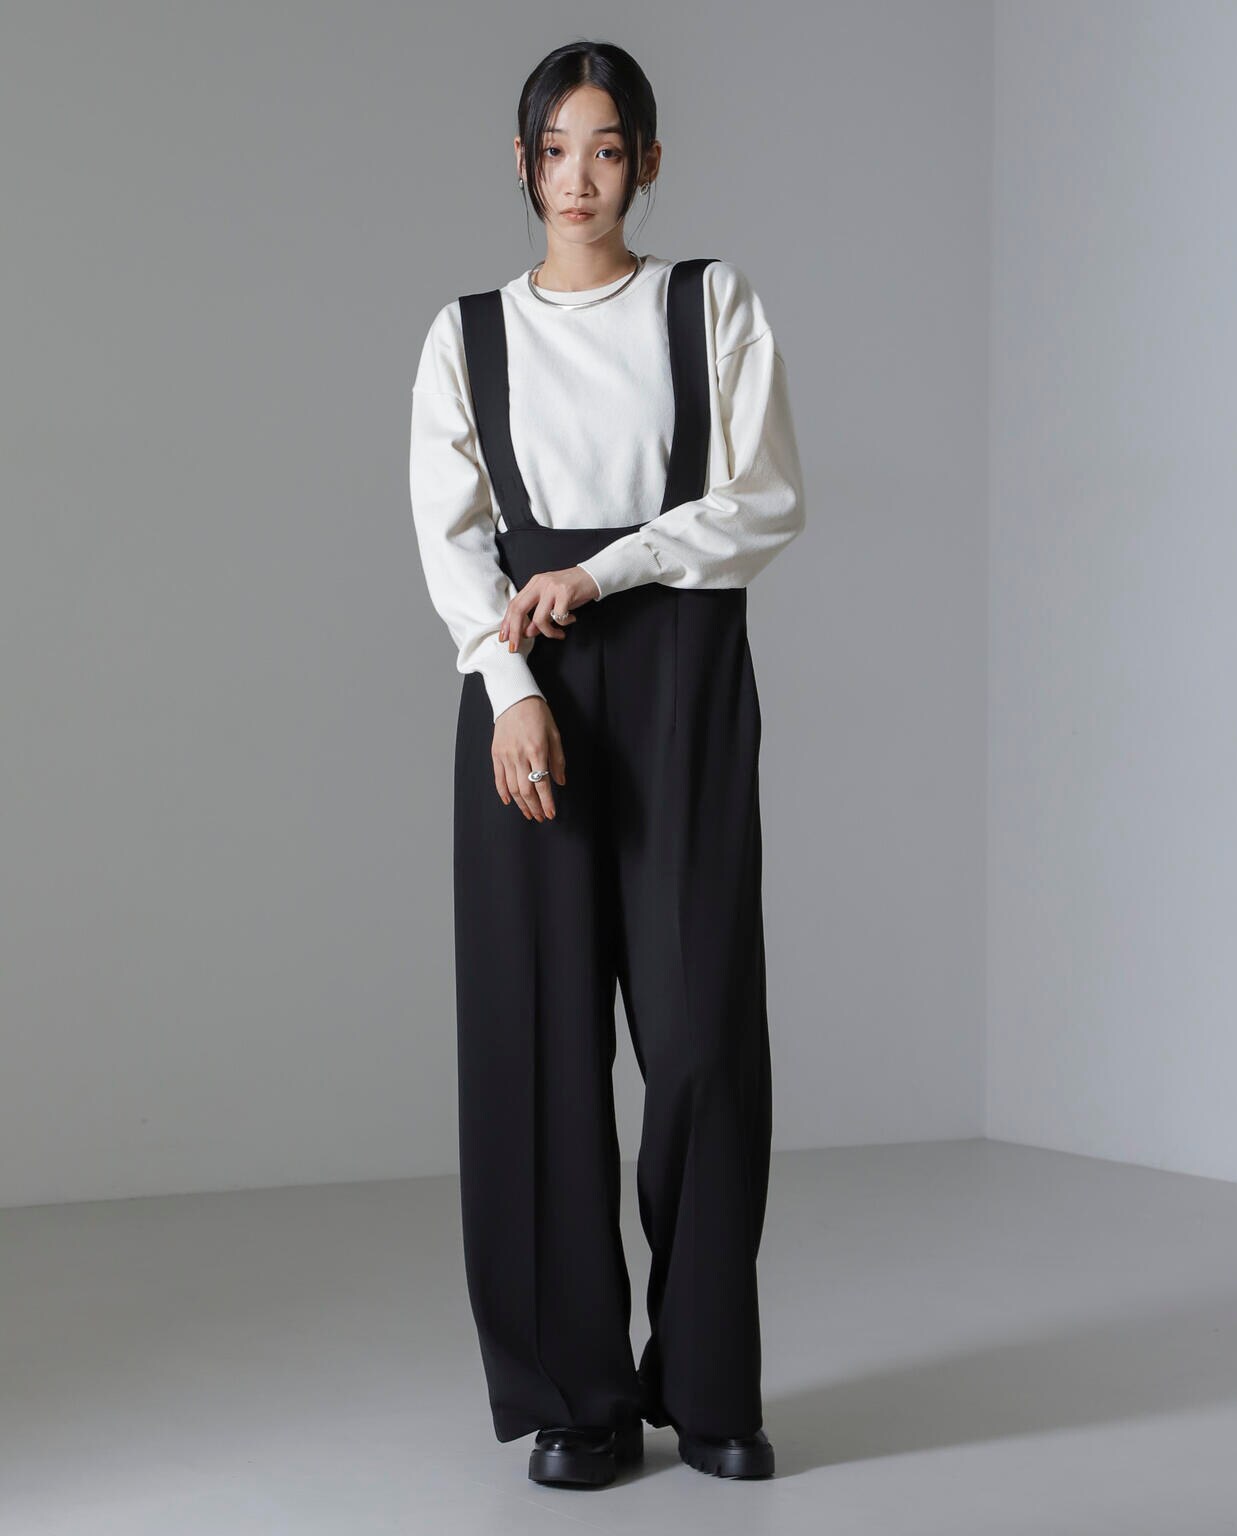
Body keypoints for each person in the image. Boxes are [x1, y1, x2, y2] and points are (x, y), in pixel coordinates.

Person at [408, 38, 805, 1490]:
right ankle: (574, 1393)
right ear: (522, 165)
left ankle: (705, 1381)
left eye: (608, 148)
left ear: (646, 162)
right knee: (539, 1040)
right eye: (556, 150)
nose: (580, 179)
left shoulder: (711, 304)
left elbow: (764, 497)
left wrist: (607, 569)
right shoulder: (468, 335)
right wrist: (510, 687)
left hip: (680, 669)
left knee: (700, 1033)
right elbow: (452, 537)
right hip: (530, 686)